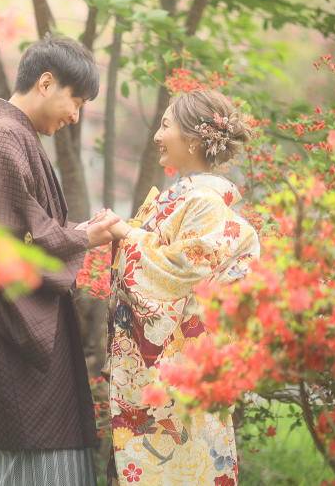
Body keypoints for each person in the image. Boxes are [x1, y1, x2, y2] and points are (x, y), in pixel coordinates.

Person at [0, 33, 120, 486]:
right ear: (46, 83)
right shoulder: (0, 139)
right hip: (7, 341)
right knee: (22, 461)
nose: (76, 115)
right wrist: (81, 238)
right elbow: (7, 250)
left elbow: (28, 235)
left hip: (13, 338)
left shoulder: (13, 136)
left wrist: (81, 235)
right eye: (76, 101)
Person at [100, 89, 260, 486]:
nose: (157, 134)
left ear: (192, 139)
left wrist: (128, 235)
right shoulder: (184, 198)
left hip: (178, 374)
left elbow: (182, 266)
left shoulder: (203, 199)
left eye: (165, 125)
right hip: (157, 370)